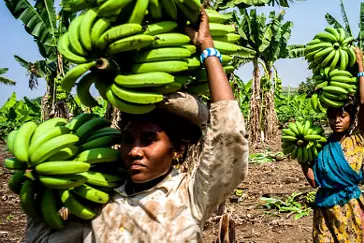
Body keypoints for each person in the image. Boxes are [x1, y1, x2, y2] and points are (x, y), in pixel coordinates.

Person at [26, 8, 249, 242]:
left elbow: (228, 133)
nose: (134, 151)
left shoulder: (190, 195)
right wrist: (41, 187)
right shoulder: (99, 200)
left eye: (149, 140)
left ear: (177, 149)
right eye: (128, 139)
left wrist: (207, 49)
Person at [301, 48, 364, 243]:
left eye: (342, 116)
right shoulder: (322, 146)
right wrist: (302, 159)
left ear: (351, 118)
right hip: (325, 210)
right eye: (332, 116)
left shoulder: (358, 139)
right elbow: (314, 182)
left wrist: (360, 64)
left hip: (349, 208)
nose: (336, 120)